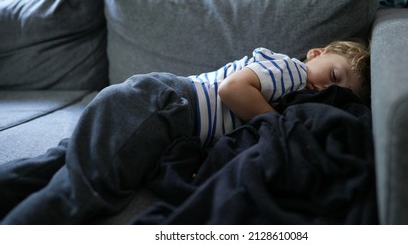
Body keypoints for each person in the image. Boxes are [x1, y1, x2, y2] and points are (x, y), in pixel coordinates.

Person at [0, 39, 370, 224]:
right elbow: (231, 90)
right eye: (333, 77)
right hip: (165, 106)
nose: (326, 91)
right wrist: (275, 122)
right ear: (317, 54)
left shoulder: (299, 88)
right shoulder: (291, 71)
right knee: (90, 189)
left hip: (155, 108)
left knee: (57, 164)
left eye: (340, 91)